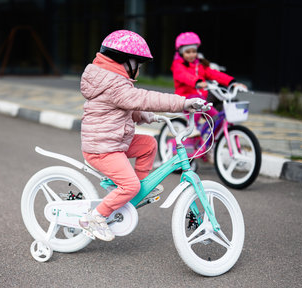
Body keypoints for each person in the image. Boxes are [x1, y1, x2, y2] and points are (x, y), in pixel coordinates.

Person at [78, 30, 210, 241]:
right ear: (125, 62)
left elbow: (126, 107)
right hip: (102, 149)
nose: (138, 70)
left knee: (149, 144)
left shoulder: (111, 82)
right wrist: (182, 103)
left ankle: (139, 190)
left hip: (114, 141)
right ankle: (95, 217)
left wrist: (151, 117)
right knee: (130, 185)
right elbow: (142, 98)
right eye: (137, 64)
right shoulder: (115, 84)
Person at [172, 32, 247, 123]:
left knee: (217, 119)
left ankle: (213, 137)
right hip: (185, 100)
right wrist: (197, 82)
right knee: (198, 102)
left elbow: (214, 74)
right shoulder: (177, 65)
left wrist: (232, 82)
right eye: (188, 52)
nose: (191, 54)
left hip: (201, 102)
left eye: (194, 51)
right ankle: (191, 128)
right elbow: (184, 75)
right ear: (181, 52)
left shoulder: (200, 65)